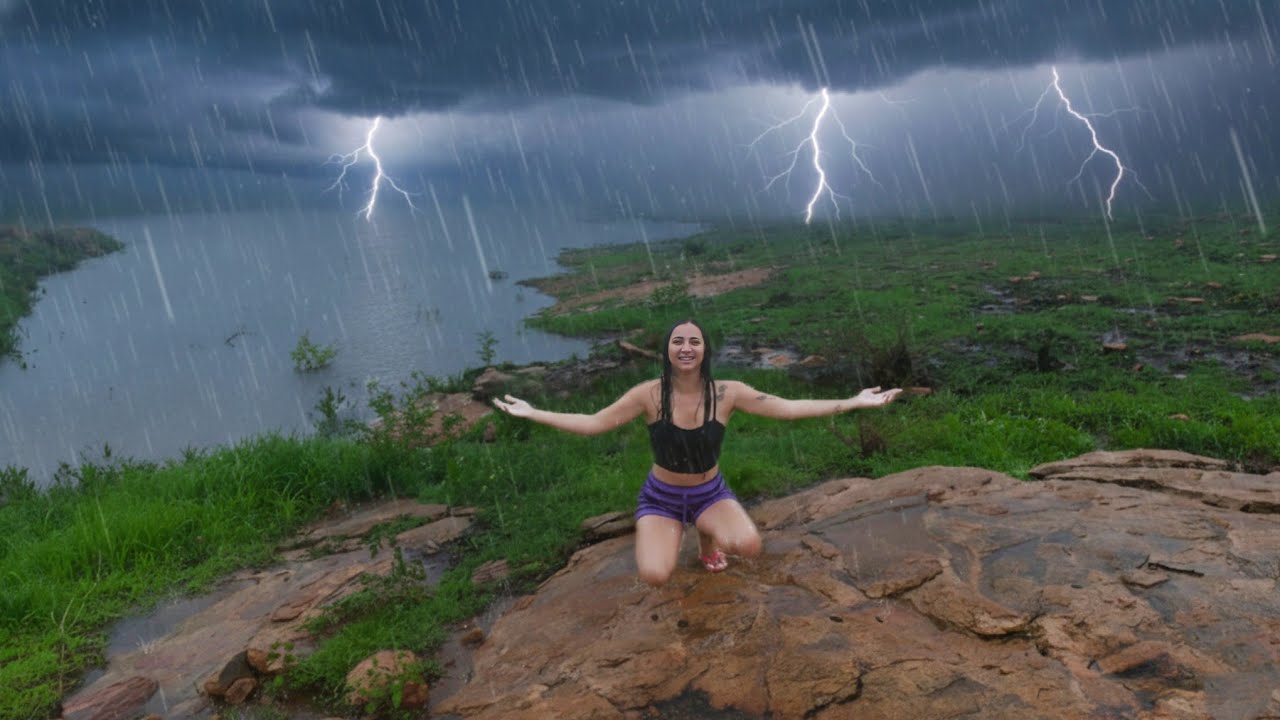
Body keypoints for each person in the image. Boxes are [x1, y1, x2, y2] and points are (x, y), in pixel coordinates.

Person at [492, 319, 902, 587]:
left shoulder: (728, 393)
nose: (685, 348)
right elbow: (594, 423)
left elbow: (788, 408)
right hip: (662, 497)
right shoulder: (647, 395)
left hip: (709, 493)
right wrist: (534, 413)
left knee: (749, 547)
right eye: (677, 341)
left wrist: (854, 401)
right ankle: (679, 528)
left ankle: (707, 539)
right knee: (655, 575)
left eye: (694, 341)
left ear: (705, 350)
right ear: (668, 351)